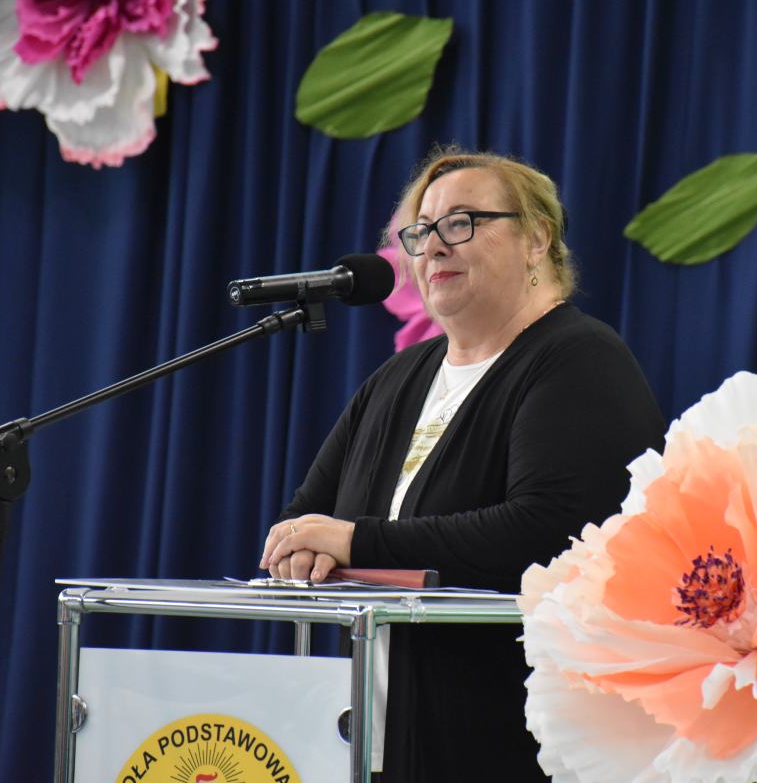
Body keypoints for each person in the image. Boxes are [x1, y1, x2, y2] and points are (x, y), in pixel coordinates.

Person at [259, 147, 665, 782]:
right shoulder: (399, 377)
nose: (433, 246)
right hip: (368, 742)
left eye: (462, 222)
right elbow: (304, 519)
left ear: (537, 238)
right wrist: (303, 549)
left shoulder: (580, 360)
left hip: (504, 740)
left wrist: (355, 544)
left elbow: (547, 533)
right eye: (420, 231)